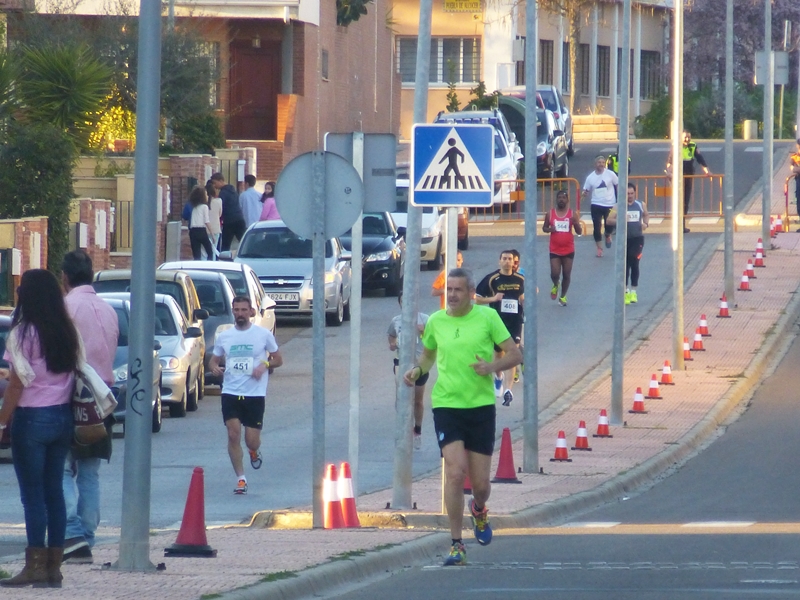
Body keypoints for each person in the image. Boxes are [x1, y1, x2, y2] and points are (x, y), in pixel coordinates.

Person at [403, 268, 522, 567]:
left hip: (480, 407)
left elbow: (515, 355)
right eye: (449, 290)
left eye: (457, 290)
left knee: (480, 484)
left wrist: (492, 368)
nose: (452, 295)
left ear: (471, 293)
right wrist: (418, 371)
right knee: (455, 473)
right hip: (447, 405)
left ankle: (479, 509)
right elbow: (429, 355)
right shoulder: (436, 322)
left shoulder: (487, 318)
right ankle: (456, 544)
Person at [0, 269, 80, 587]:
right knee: (54, 493)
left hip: (31, 418)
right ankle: (53, 568)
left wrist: (2, 421)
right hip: (63, 416)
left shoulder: (22, 333)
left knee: (32, 497)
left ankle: (34, 566)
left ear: (29, 297)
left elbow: (17, 382)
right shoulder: (66, 330)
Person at [60, 250, 119, 564]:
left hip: (71, 396)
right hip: (101, 397)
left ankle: (72, 533)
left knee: (60, 467)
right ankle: (88, 535)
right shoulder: (108, 310)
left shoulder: (66, 307)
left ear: (65, 277)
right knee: (90, 473)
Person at [210, 296, 283, 495]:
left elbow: (278, 359)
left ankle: (253, 450)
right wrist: (215, 368)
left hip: (255, 394)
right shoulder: (225, 336)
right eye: (237, 310)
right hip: (231, 392)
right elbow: (213, 360)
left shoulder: (263, 334)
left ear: (251, 311)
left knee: (251, 440)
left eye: (244, 310)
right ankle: (241, 478)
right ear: (233, 312)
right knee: (233, 434)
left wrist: (264, 365)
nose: (240, 314)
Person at [475, 251, 524, 407]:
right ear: (499, 261)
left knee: (513, 351)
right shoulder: (492, 279)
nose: (507, 262)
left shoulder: (520, 279)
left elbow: (523, 298)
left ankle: (508, 390)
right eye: (504, 259)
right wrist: (493, 299)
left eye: (510, 259)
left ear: (514, 262)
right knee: (499, 354)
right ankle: (498, 377)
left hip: (515, 320)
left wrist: (526, 302)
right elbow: (476, 299)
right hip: (497, 321)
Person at [387, 291, 429, 450]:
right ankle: (402, 429)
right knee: (402, 392)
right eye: (403, 301)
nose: (406, 304)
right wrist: (392, 344)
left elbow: (434, 340)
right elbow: (391, 335)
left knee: (417, 401)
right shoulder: (396, 321)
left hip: (420, 364)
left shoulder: (425, 319)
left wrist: (424, 330)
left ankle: (417, 430)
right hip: (401, 362)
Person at [608, 182, 650, 304]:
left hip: (637, 238)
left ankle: (634, 291)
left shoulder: (641, 204)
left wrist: (646, 224)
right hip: (624, 238)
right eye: (627, 193)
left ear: (635, 193)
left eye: (632, 193)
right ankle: (625, 291)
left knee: (634, 260)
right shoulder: (618, 206)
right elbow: (609, 220)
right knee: (625, 264)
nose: (630, 196)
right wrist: (619, 220)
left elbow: (646, 215)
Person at [542, 190, 582, 307]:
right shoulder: (550, 214)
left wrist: (576, 224)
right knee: (554, 273)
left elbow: (579, 232)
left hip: (568, 249)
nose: (561, 200)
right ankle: (555, 284)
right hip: (554, 249)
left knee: (566, 274)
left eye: (563, 198)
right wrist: (550, 230)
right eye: (559, 197)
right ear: (556, 199)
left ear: (567, 200)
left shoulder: (572, 214)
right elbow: (544, 228)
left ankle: (563, 296)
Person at [666, 129, 710, 233]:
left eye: (689, 137)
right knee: (678, 201)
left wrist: (707, 171)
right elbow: (670, 161)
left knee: (685, 202)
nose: (687, 139)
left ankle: (682, 225)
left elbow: (700, 159)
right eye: (685, 137)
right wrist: (669, 173)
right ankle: (677, 225)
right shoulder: (676, 146)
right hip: (677, 178)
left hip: (688, 176)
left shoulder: (693, 145)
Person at [582, 155, 619, 257]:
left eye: (603, 163)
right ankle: (599, 248)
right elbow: (586, 190)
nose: (601, 164)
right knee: (596, 227)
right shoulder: (590, 177)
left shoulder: (610, 174)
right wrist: (584, 193)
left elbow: (618, 184)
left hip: (609, 203)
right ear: (595, 164)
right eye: (599, 163)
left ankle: (608, 234)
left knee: (609, 224)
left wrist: (620, 197)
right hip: (596, 204)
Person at [210, 172, 247, 252]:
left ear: (220, 181)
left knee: (225, 245)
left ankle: (224, 261)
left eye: (215, 183)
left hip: (229, 221)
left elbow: (221, 208)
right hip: (239, 218)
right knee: (244, 241)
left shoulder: (223, 193)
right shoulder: (233, 190)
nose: (214, 185)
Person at [188, 186, 215, 261]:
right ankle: (209, 266)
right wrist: (212, 234)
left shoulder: (194, 207)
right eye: (206, 194)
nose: (207, 196)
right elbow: (206, 221)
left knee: (196, 255)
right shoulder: (204, 207)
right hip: (201, 231)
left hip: (193, 231)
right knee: (209, 251)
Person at [206, 179, 223, 253]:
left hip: (205, 229)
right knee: (214, 250)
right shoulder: (219, 201)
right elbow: (220, 214)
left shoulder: (203, 203)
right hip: (216, 228)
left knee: (204, 252)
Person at [790, 139, 800, 231]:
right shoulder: (795, 156)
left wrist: (795, 169)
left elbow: (794, 168)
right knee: (799, 201)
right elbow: (791, 167)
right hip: (798, 180)